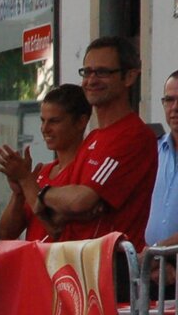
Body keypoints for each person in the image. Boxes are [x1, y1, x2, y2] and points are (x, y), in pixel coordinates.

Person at [29, 38, 154, 248]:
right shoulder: (93, 138)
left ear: (130, 76)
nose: (91, 80)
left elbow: (80, 201)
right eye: (87, 72)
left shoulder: (133, 135)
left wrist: (43, 194)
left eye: (103, 72)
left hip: (110, 268)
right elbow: (58, 219)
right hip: (79, 268)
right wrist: (67, 203)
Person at [0, 84, 92, 241]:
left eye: (54, 121)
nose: (45, 128)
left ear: (81, 122)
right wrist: (18, 193)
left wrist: (26, 180)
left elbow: (54, 228)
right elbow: (7, 234)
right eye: (42, 120)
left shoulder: (86, 170)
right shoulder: (42, 172)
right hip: (35, 263)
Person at [151, 70, 178, 249]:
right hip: (151, 271)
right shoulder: (154, 151)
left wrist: (160, 251)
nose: (175, 107)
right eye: (169, 100)